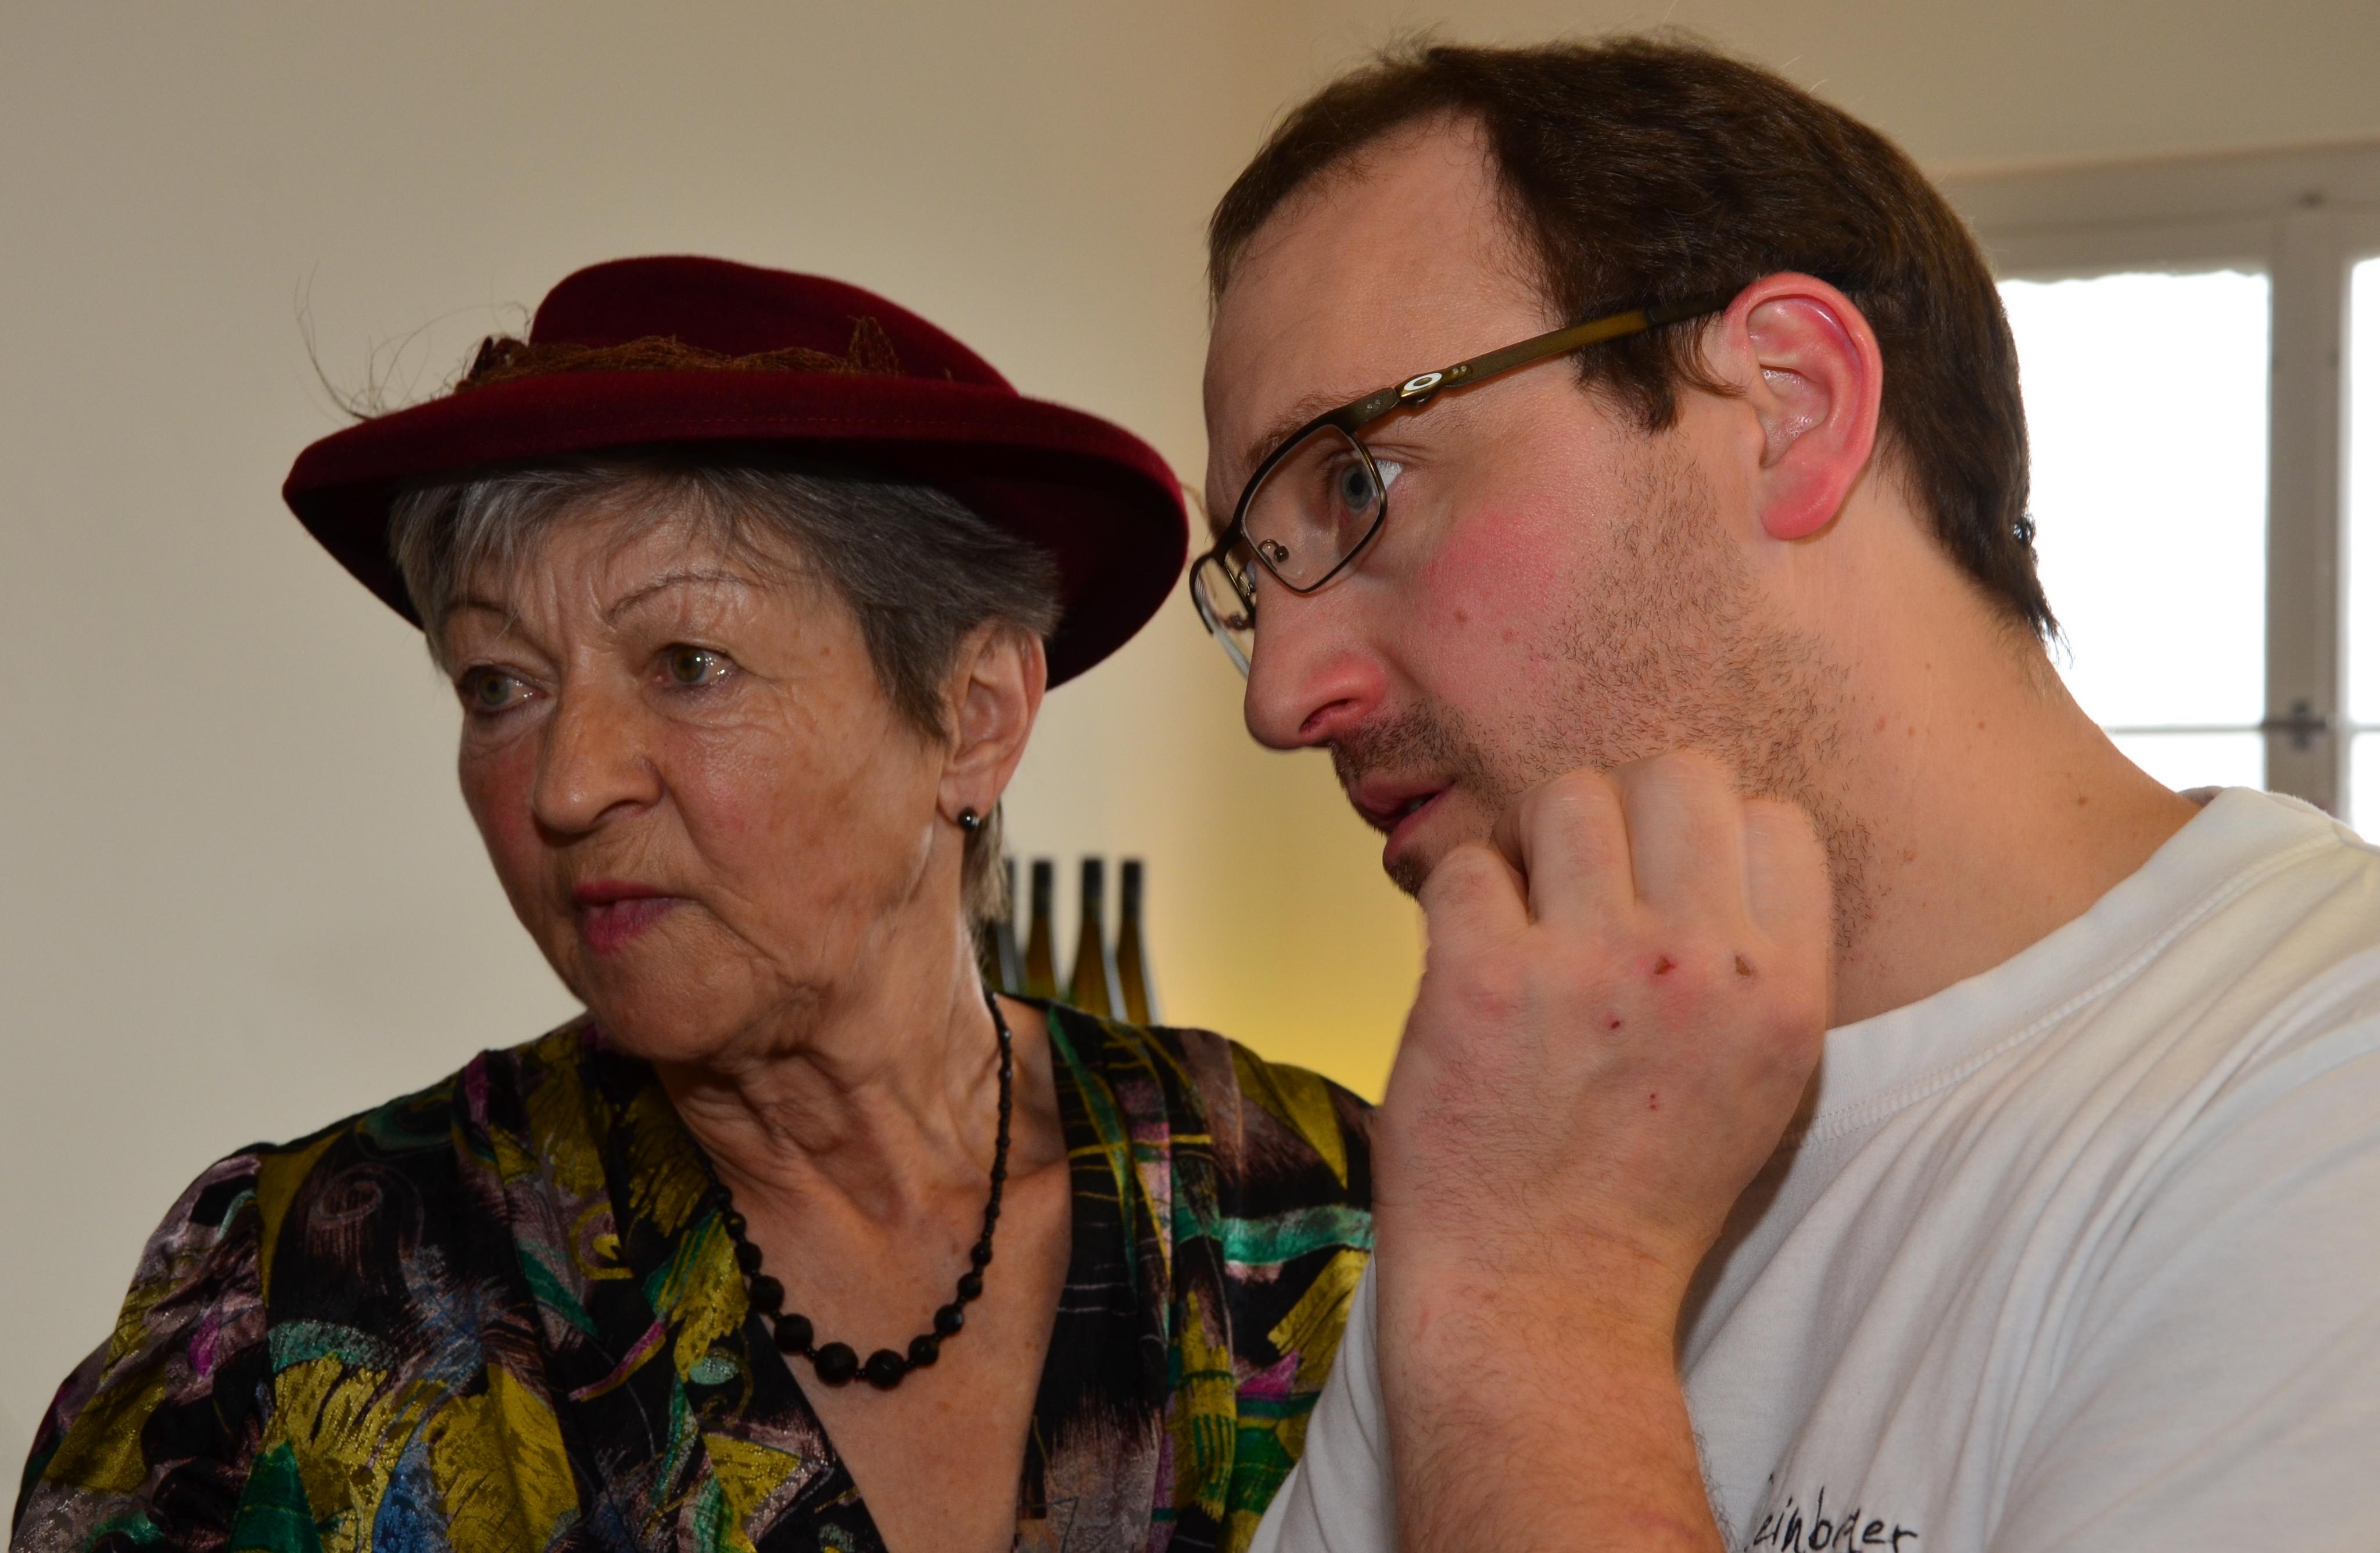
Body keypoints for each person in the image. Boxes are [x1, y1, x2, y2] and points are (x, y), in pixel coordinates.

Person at [1187, 37, 2380, 1553]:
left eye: (1359, 483)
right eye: (1257, 575)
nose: (1279, 697)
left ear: (1787, 404)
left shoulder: (2319, 1100)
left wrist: (1539, 1304)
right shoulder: (1542, 1122)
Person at [15, 256, 1374, 1553]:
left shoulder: (1322, 1224)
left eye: (687, 663)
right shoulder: (312, 1295)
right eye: (499, 684)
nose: (565, 785)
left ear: (972, 717)